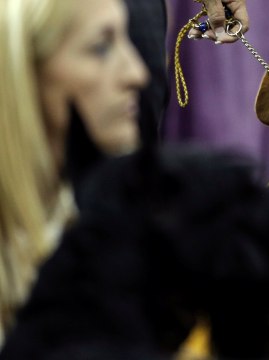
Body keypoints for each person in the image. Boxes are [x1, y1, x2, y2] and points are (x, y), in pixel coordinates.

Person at [0, 0, 148, 347]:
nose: (136, 73)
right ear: (20, 70)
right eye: (101, 47)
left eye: (127, 39)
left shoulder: (97, 228)